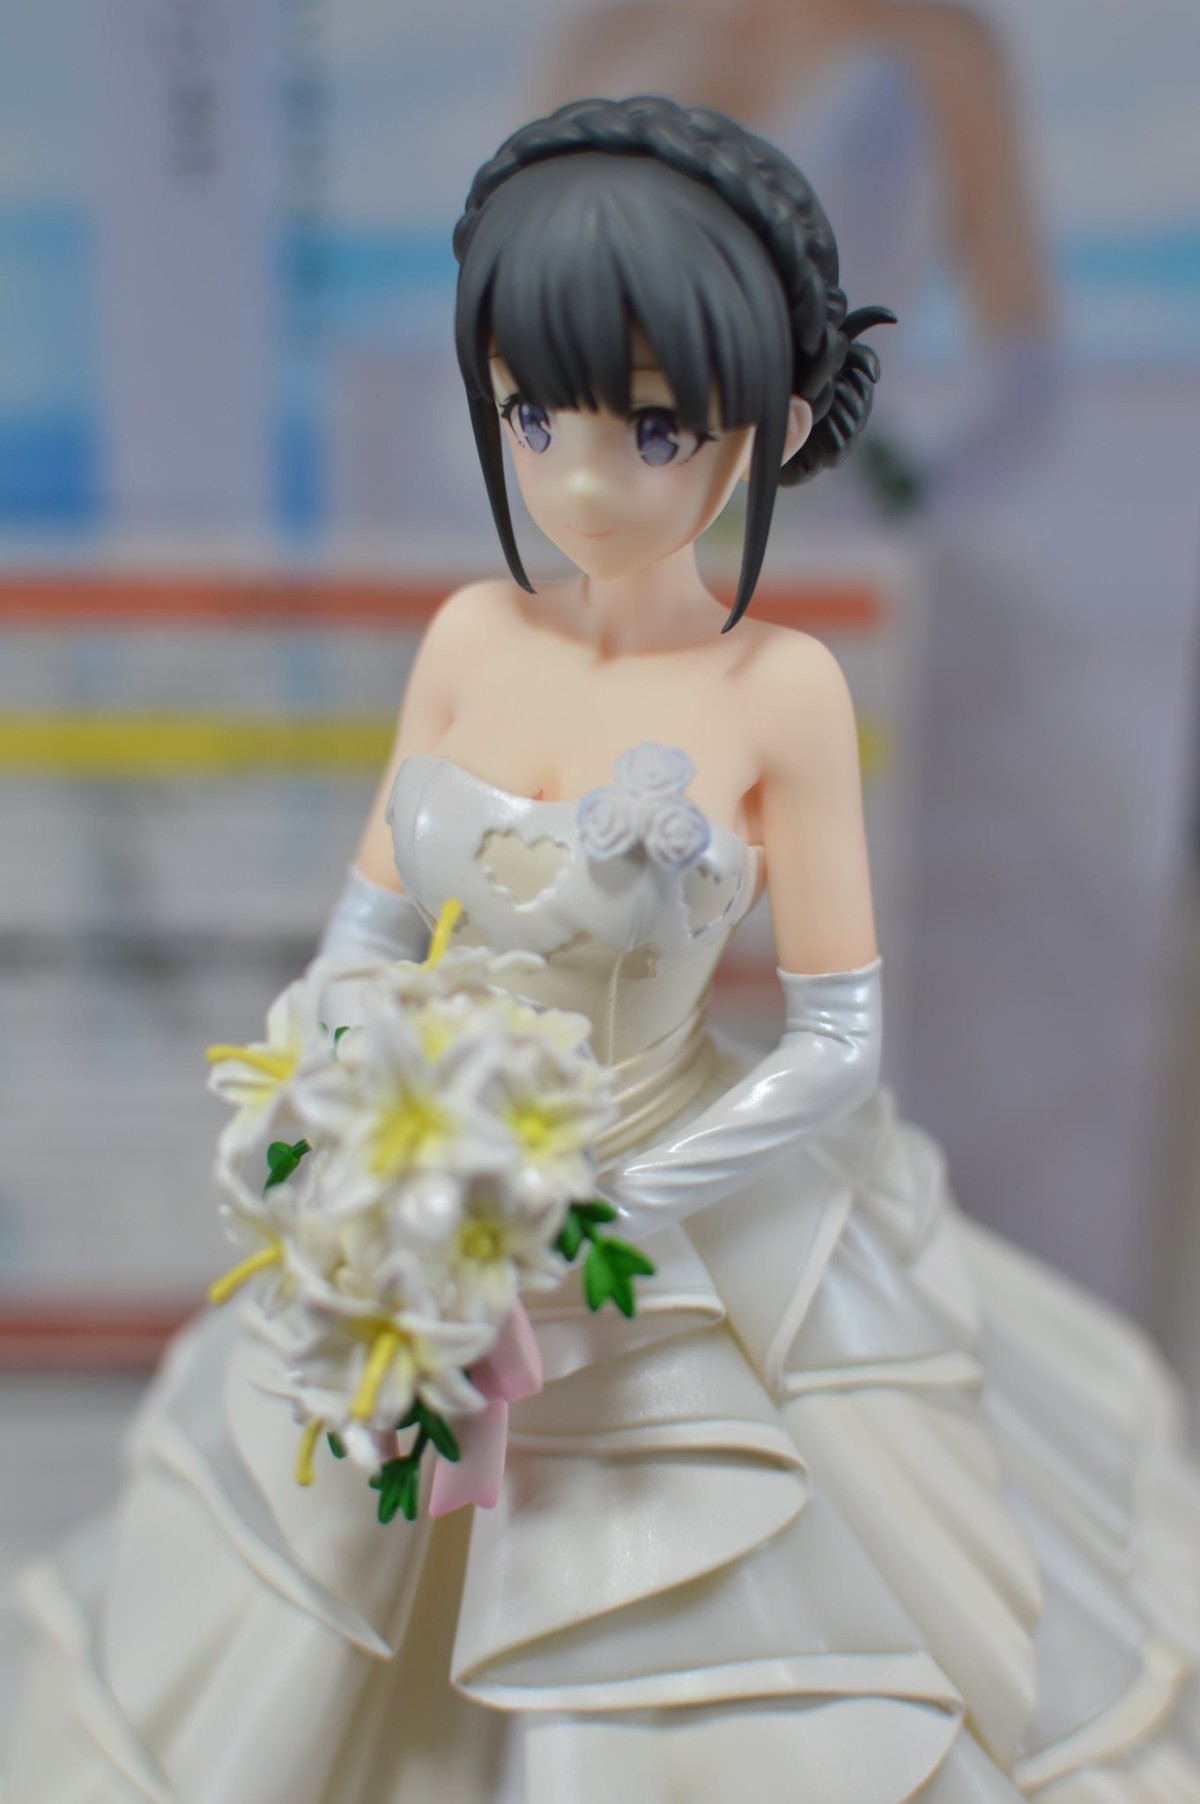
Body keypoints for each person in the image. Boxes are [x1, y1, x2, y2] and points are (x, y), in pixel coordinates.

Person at [6, 97, 1198, 1804]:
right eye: (531, 411)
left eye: (649, 427)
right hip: (427, 1189)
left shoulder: (779, 691)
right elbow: (370, 928)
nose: (577, 475)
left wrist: (605, 1207)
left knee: (676, 1643)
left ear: (769, 429)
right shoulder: (467, 637)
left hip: (661, 1211)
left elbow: (837, 1043)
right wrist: (337, 1131)